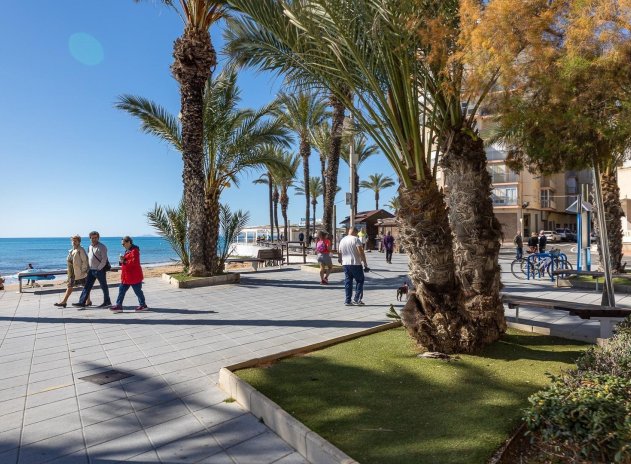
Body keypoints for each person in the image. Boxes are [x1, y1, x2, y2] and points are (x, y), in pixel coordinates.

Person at [73, 231, 111, 308]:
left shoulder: (102, 247)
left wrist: (99, 269)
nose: (94, 239)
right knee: (87, 286)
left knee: (104, 286)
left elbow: (104, 259)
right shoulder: (90, 247)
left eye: (95, 238)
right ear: (90, 238)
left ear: (98, 238)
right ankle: (82, 302)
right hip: (91, 270)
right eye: (92, 238)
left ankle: (107, 302)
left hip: (99, 270)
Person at [110, 236, 147, 313]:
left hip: (134, 276)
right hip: (127, 276)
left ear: (128, 242)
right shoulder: (128, 250)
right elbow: (127, 261)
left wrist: (124, 261)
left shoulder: (134, 250)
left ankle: (143, 305)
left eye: (123, 244)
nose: (122, 245)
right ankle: (119, 306)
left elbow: (134, 262)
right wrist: (122, 260)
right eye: (122, 244)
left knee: (138, 291)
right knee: (121, 290)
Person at [54, 235, 92, 308]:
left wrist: (83, 271)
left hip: (79, 273)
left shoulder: (81, 250)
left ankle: (64, 302)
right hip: (72, 273)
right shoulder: (71, 250)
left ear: (79, 242)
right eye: (73, 241)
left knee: (84, 287)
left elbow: (85, 261)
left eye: (75, 241)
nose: (74, 242)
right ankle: (88, 301)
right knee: (78, 287)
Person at [338, 226, 369, 306]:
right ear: (355, 232)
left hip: (346, 264)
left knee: (348, 281)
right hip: (355, 263)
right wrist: (365, 263)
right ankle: (357, 299)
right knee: (360, 281)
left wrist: (340, 259)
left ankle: (347, 300)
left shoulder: (342, 240)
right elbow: (361, 251)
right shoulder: (356, 239)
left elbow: (340, 252)